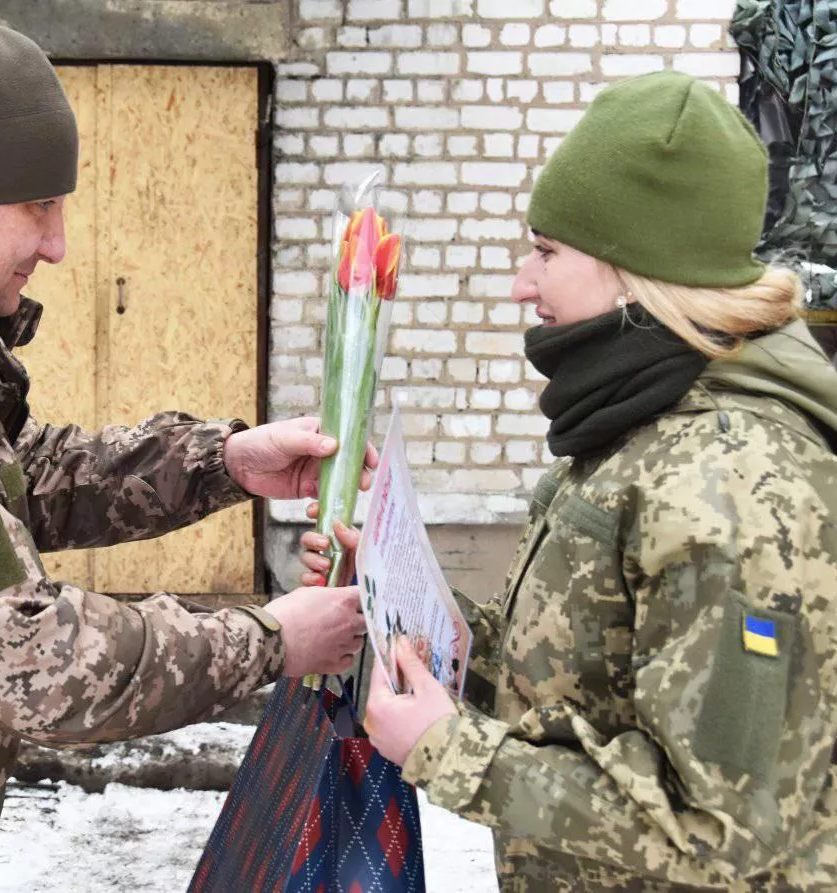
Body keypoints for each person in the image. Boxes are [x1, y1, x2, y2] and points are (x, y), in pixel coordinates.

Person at [0, 21, 368, 891]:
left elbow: (10, 480)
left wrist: (224, 460)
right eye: (38, 204)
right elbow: (34, 662)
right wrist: (269, 638)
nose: (59, 244)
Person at [301, 71, 837, 890]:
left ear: (636, 269)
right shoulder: (648, 419)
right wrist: (389, 611)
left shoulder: (730, 480)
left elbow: (721, 828)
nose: (521, 282)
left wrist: (452, 750)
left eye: (547, 251)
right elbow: (586, 681)